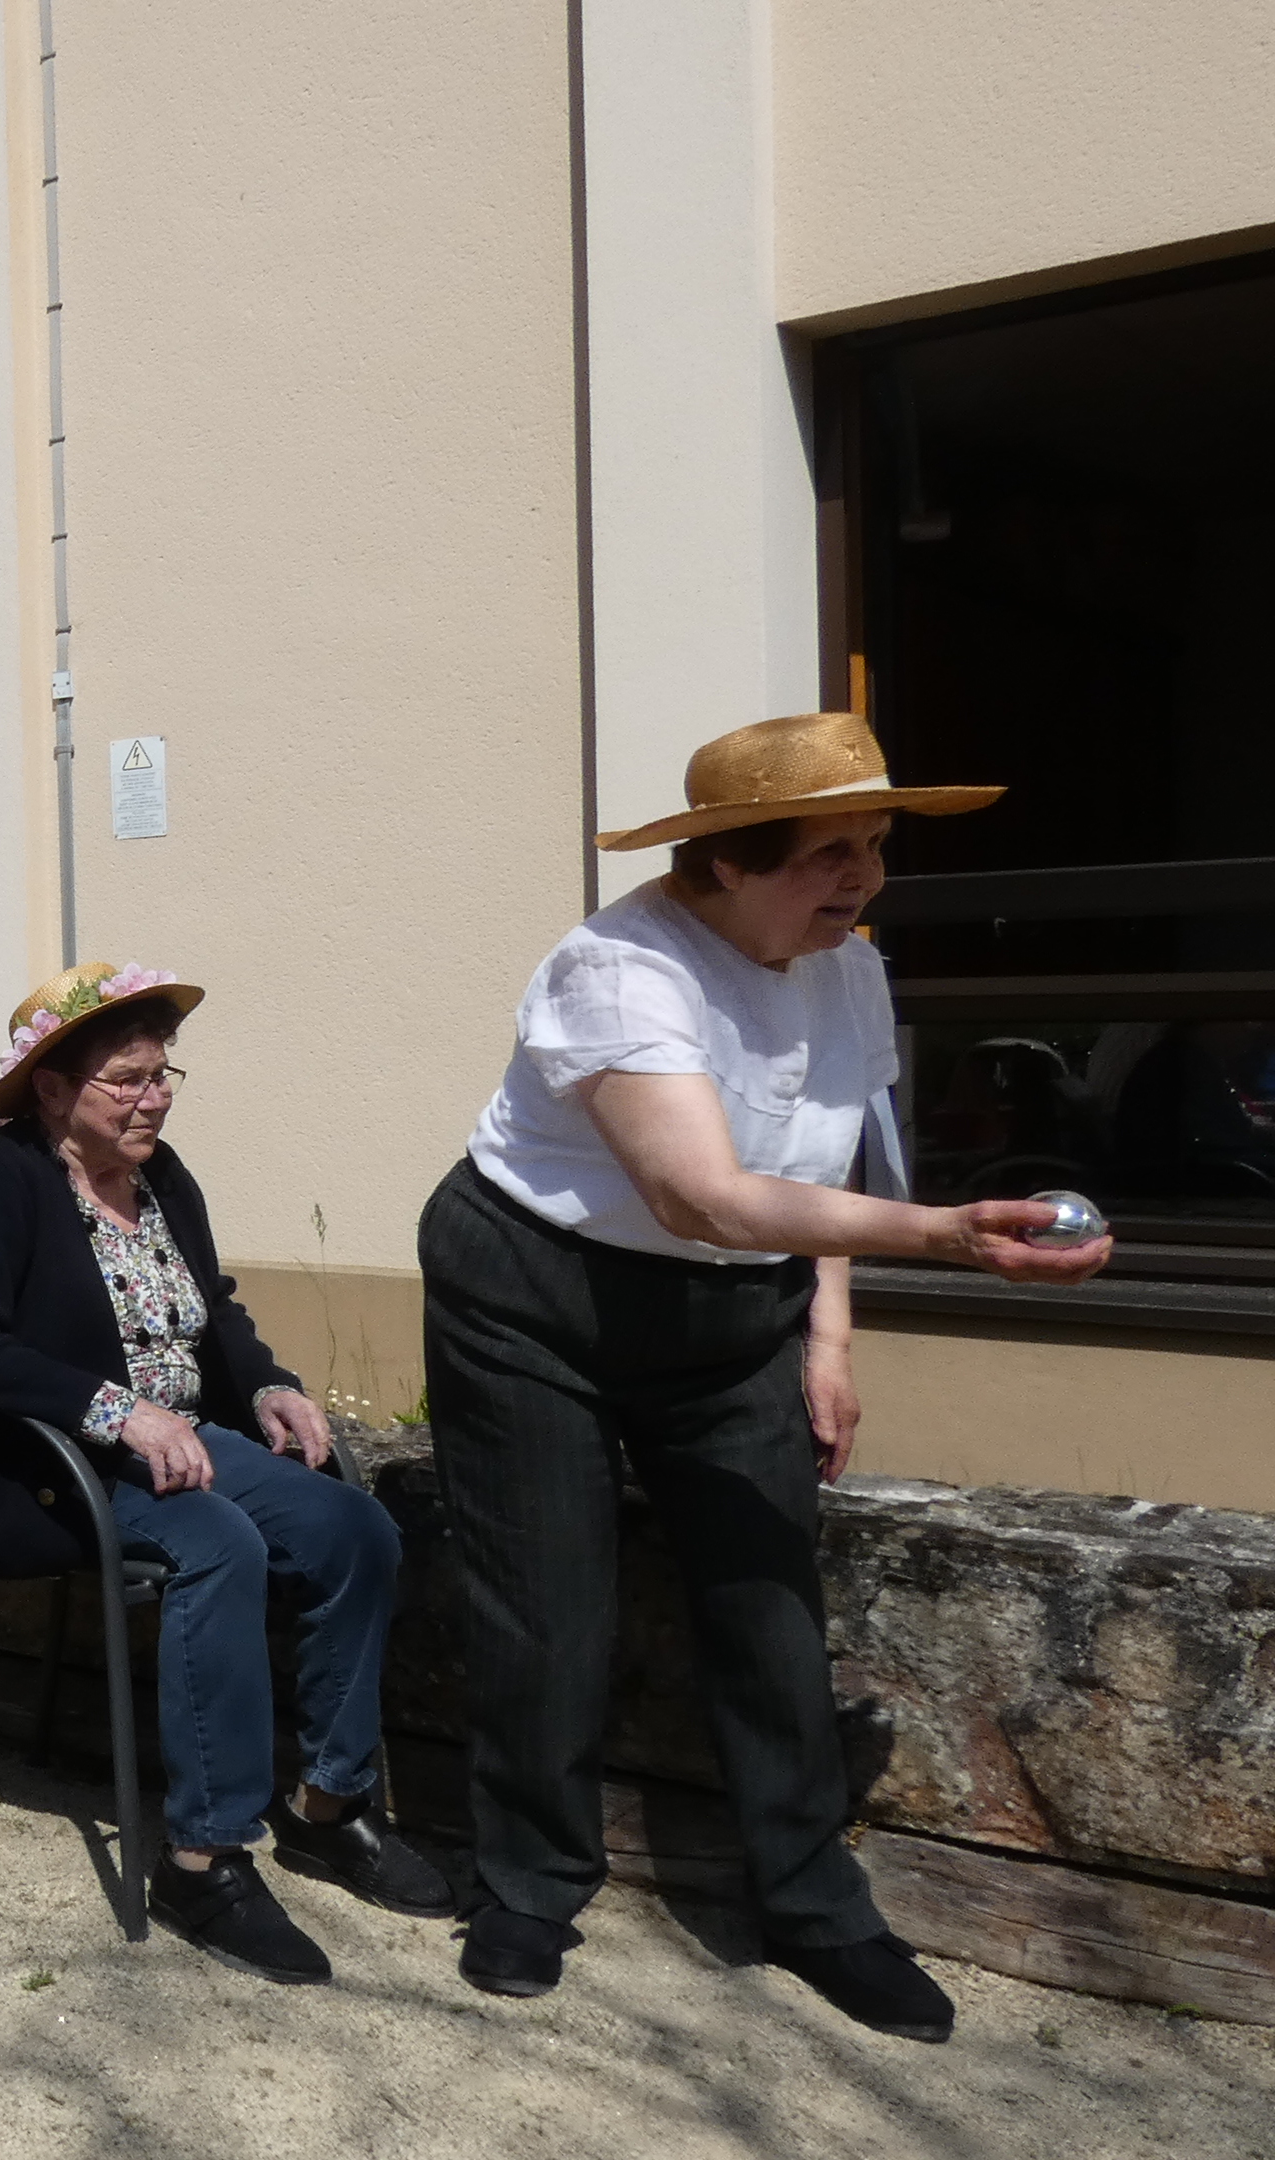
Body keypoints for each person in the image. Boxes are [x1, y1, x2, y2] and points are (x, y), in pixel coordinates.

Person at [426, 710, 1112, 2037]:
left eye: (873, 848)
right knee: (547, 1606)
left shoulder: (846, 964)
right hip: (534, 1294)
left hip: (737, 1311)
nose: (858, 877)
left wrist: (831, 1334)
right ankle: (529, 1883)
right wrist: (951, 1235)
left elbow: (820, 1160)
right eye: (825, 854)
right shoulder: (621, 968)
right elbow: (703, 1197)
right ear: (725, 864)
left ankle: (814, 1905)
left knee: (767, 1602)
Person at [0, 962, 448, 1984]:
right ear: (55, 1090)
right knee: (220, 1546)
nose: (154, 1097)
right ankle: (203, 1858)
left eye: (163, 1075)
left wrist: (268, 1388)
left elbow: (216, 1317)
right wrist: (119, 1411)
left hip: (182, 1441)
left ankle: (328, 1806)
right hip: (44, 1463)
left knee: (355, 1530)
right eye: (128, 1079)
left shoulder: (165, 1179)